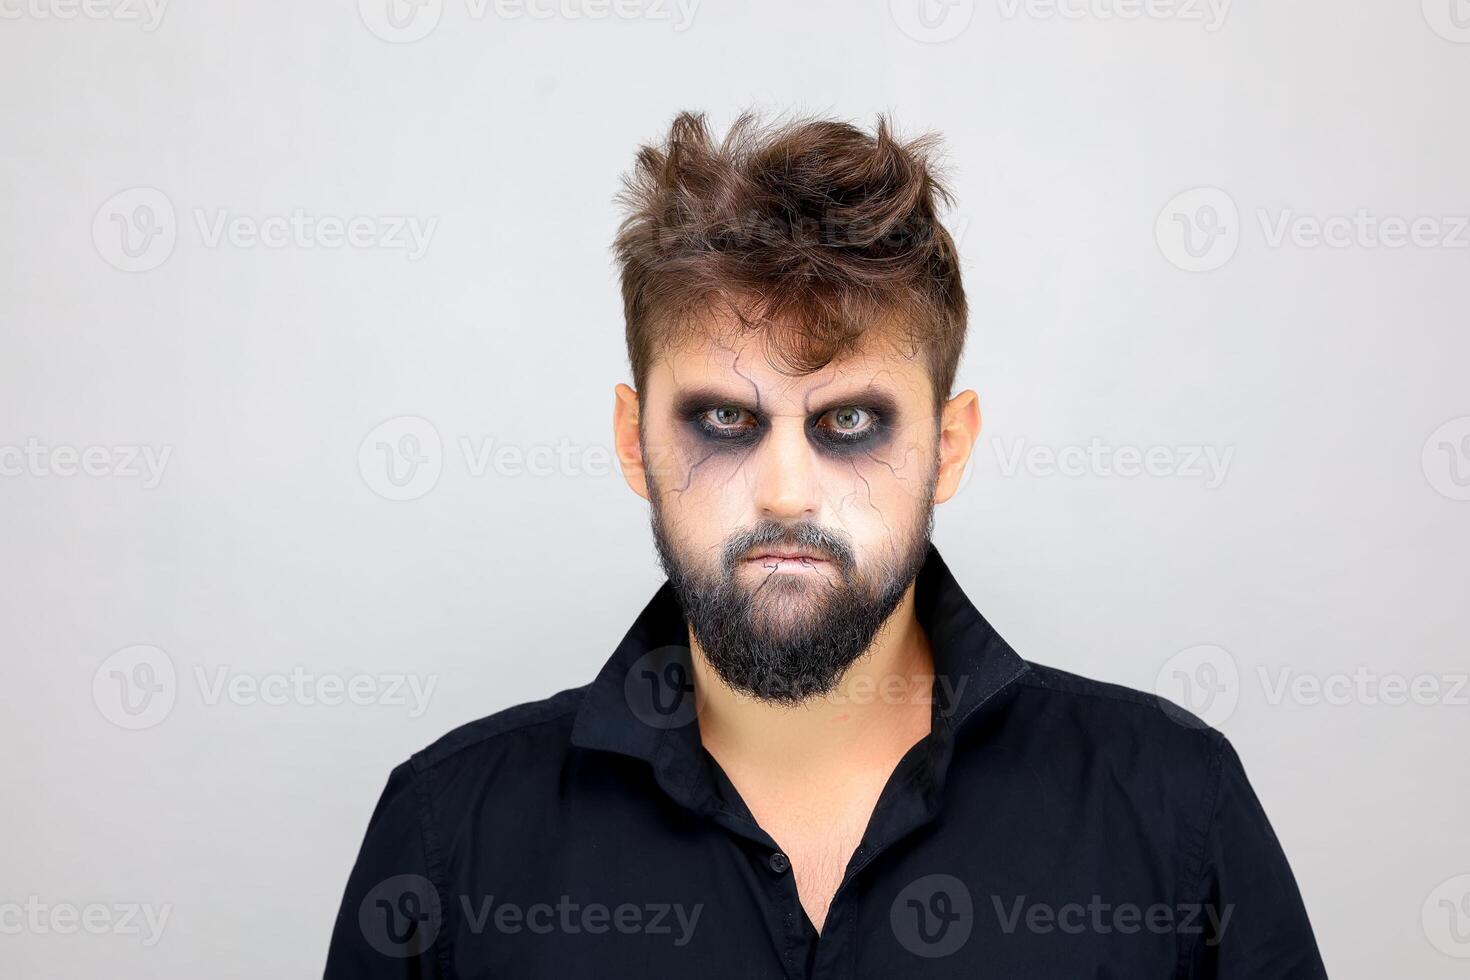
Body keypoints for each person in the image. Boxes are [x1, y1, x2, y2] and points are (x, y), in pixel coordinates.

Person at [324, 110, 1327, 978]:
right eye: (723, 421)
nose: (786, 490)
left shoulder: (1169, 805)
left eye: (849, 423)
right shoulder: (450, 834)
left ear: (948, 446)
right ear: (635, 441)